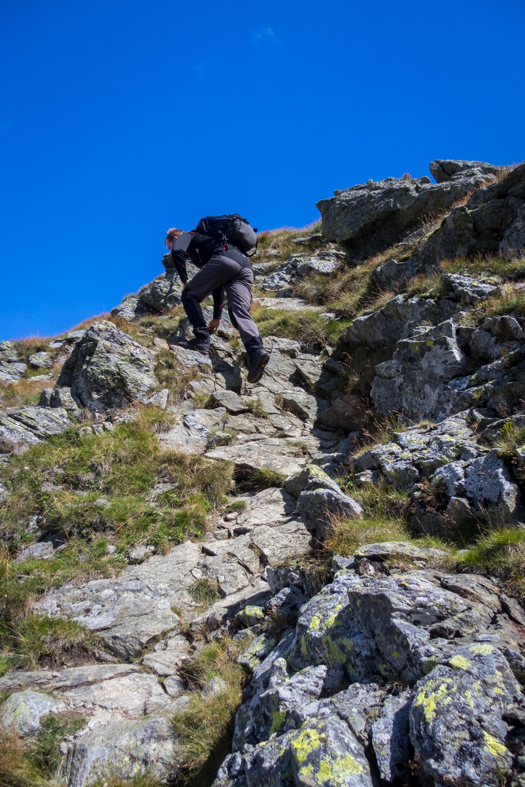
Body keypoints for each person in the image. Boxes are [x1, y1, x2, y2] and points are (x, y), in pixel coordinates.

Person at [164, 226, 270, 384]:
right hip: (245, 267)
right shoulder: (207, 247)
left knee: (189, 295)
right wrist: (217, 318)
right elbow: (217, 286)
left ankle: (201, 340)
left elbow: (178, 252)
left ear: (174, 238)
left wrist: (185, 281)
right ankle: (256, 351)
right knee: (237, 313)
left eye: (169, 247)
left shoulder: (186, 236)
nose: (170, 250)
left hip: (226, 260)